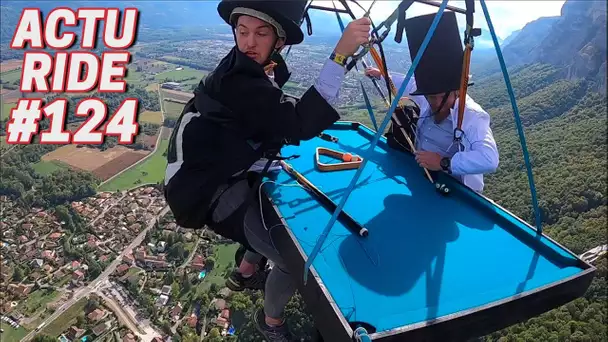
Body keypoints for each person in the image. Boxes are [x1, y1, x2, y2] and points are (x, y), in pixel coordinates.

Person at [162, 0, 371, 340]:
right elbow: (301, 123)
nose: (248, 42)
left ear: (279, 41)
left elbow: (260, 120)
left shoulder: (250, 68)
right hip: (209, 191)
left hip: (212, 174)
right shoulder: (239, 79)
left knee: (270, 208)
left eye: (260, 33)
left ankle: (245, 273)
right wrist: (339, 55)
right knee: (292, 260)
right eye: (242, 32)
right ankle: (271, 322)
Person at [364, 11, 498, 193]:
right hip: (422, 175)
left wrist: (443, 162)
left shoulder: (472, 116)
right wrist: (382, 75)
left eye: (439, 96)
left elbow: (489, 159)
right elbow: (408, 84)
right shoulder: (428, 93)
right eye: (429, 96)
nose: (433, 102)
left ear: (457, 92)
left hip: (456, 189)